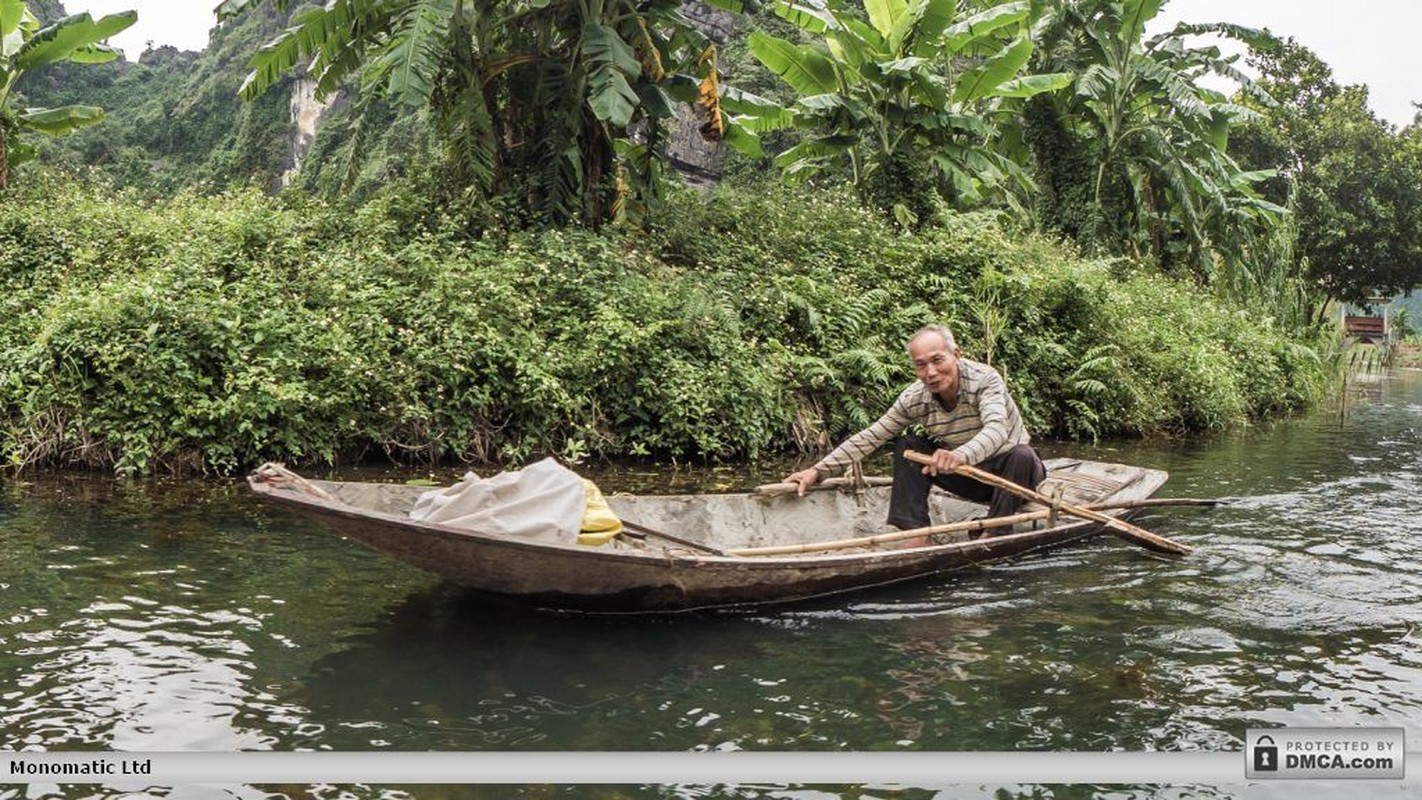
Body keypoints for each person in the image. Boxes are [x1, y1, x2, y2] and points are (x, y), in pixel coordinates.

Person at [783, 324, 1045, 536]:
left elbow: (997, 429)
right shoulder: (915, 398)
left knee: (1021, 454)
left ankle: (996, 530)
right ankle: (915, 532)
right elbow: (873, 436)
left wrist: (960, 455)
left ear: (956, 355)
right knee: (908, 445)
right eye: (921, 365)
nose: (930, 372)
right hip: (971, 477)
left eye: (937, 360)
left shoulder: (985, 379)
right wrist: (816, 471)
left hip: (1017, 480)